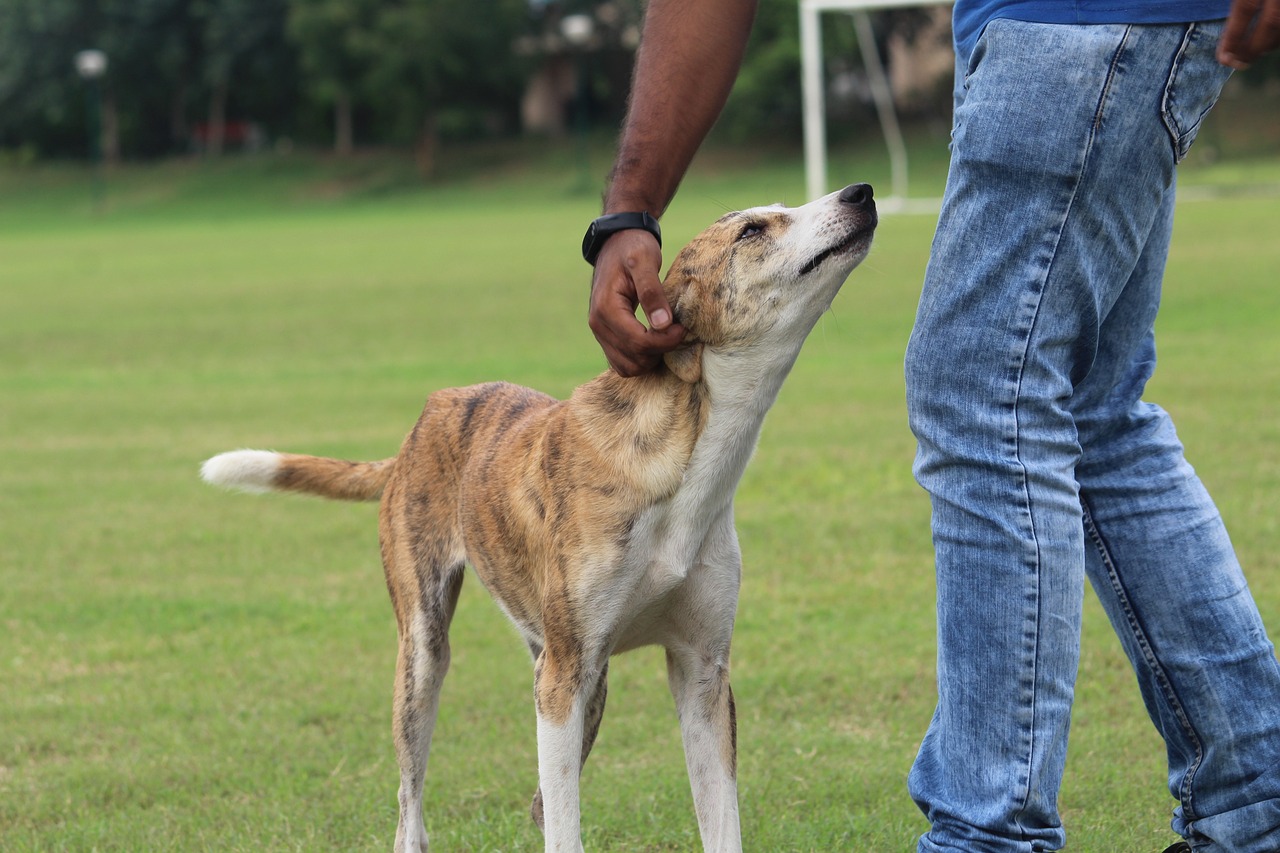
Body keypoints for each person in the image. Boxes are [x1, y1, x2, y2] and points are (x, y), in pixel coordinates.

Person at [583, 0, 1280, 851]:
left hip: (1075, 30)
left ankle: (989, 834)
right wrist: (629, 208)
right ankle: (1256, 807)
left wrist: (631, 203)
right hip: (1096, 35)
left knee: (983, 391)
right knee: (1091, 413)